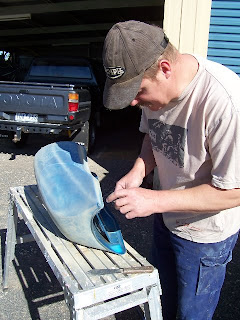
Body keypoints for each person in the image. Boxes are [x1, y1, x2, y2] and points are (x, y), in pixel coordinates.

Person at [102, 20, 240, 320]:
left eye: (138, 93)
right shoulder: (155, 95)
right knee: (161, 302)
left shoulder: (224, 102)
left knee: (191, 314)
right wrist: (139, 170)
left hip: (205, 235)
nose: (134, 102)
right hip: (166, 219)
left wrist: (152, 201)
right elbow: (153, 138)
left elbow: (234, 191)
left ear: (165, 68)